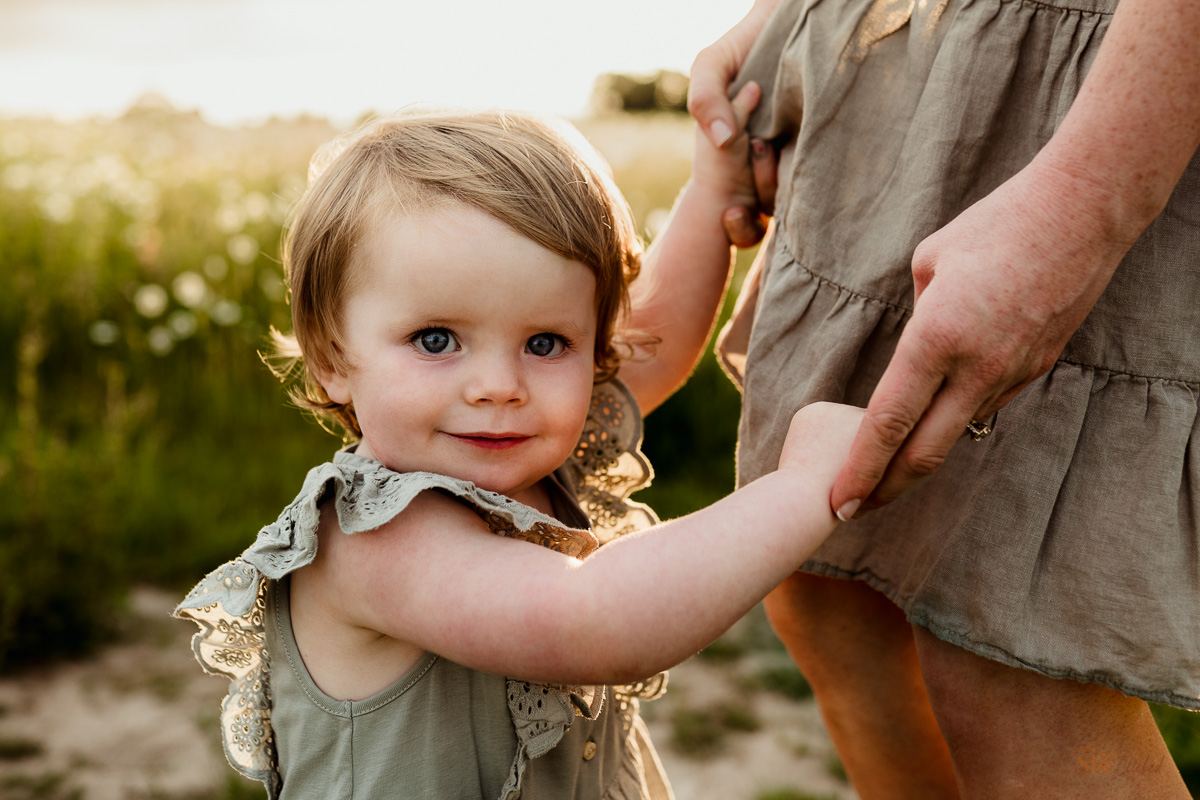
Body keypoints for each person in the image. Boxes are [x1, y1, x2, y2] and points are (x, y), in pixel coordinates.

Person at [175, 103, 864, 800]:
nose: (500, 388)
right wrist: (804, 487)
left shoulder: (524, 455)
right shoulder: (372, 538)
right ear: (331, 356)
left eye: (544, 342)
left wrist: (716, 189)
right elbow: (592, 623)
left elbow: (653, 337)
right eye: (437, 340)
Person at [690, 0, 1200, 797]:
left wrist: (1088, 196)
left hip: (1108, 69)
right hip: (910, 48)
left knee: (1010, 667)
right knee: (825, 586)